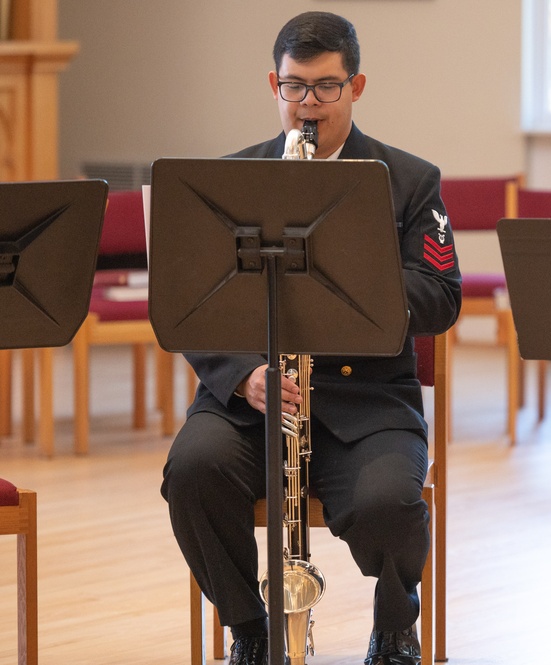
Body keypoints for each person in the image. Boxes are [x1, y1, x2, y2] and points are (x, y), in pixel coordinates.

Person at [160, 12, 460, 665]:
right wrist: (243, 375)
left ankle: (394, 627)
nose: (309, 105)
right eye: (294, 87)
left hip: (368, 402)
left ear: (357, 86)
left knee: (390, 502)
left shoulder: (409, 180)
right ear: (273, 82)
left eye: (326, 88)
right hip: (250, 399)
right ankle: (250, 626)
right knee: (192, 471)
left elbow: (441, 297)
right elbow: (189, 305)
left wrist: (346, 276)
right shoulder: (226, 181)